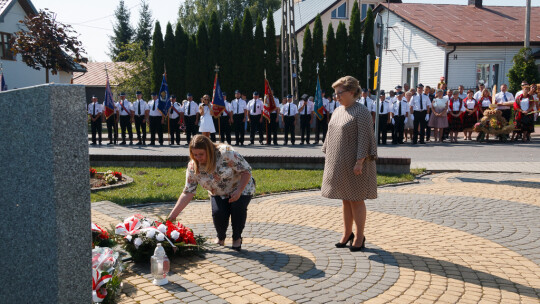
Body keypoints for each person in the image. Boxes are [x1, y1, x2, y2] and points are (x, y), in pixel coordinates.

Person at [167, 135, 255, 251]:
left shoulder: (225, 153)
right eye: (195, 154)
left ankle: (237, 238)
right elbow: (188, 192)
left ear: (209, 150)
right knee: (219, 214)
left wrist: (239, 191)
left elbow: (246, 170)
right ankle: (220, 237)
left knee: (237, 209)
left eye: (201, 154)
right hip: (218, 192)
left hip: (241, 187)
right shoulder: (193, 166)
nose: (198, 158)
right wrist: (171, 217)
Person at [322, 76, 377, 252]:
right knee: (346, 200)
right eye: (335, 93)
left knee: (356, 200)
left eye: (340, 93)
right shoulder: (339, 111)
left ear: (352, 92)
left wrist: (360, 161)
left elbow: (365, 139)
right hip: (339, 163)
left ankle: (360, 236)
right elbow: (330, 134)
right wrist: (327, 153)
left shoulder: (361, 112)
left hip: (356, 165)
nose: (336, 97)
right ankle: (347, 234)